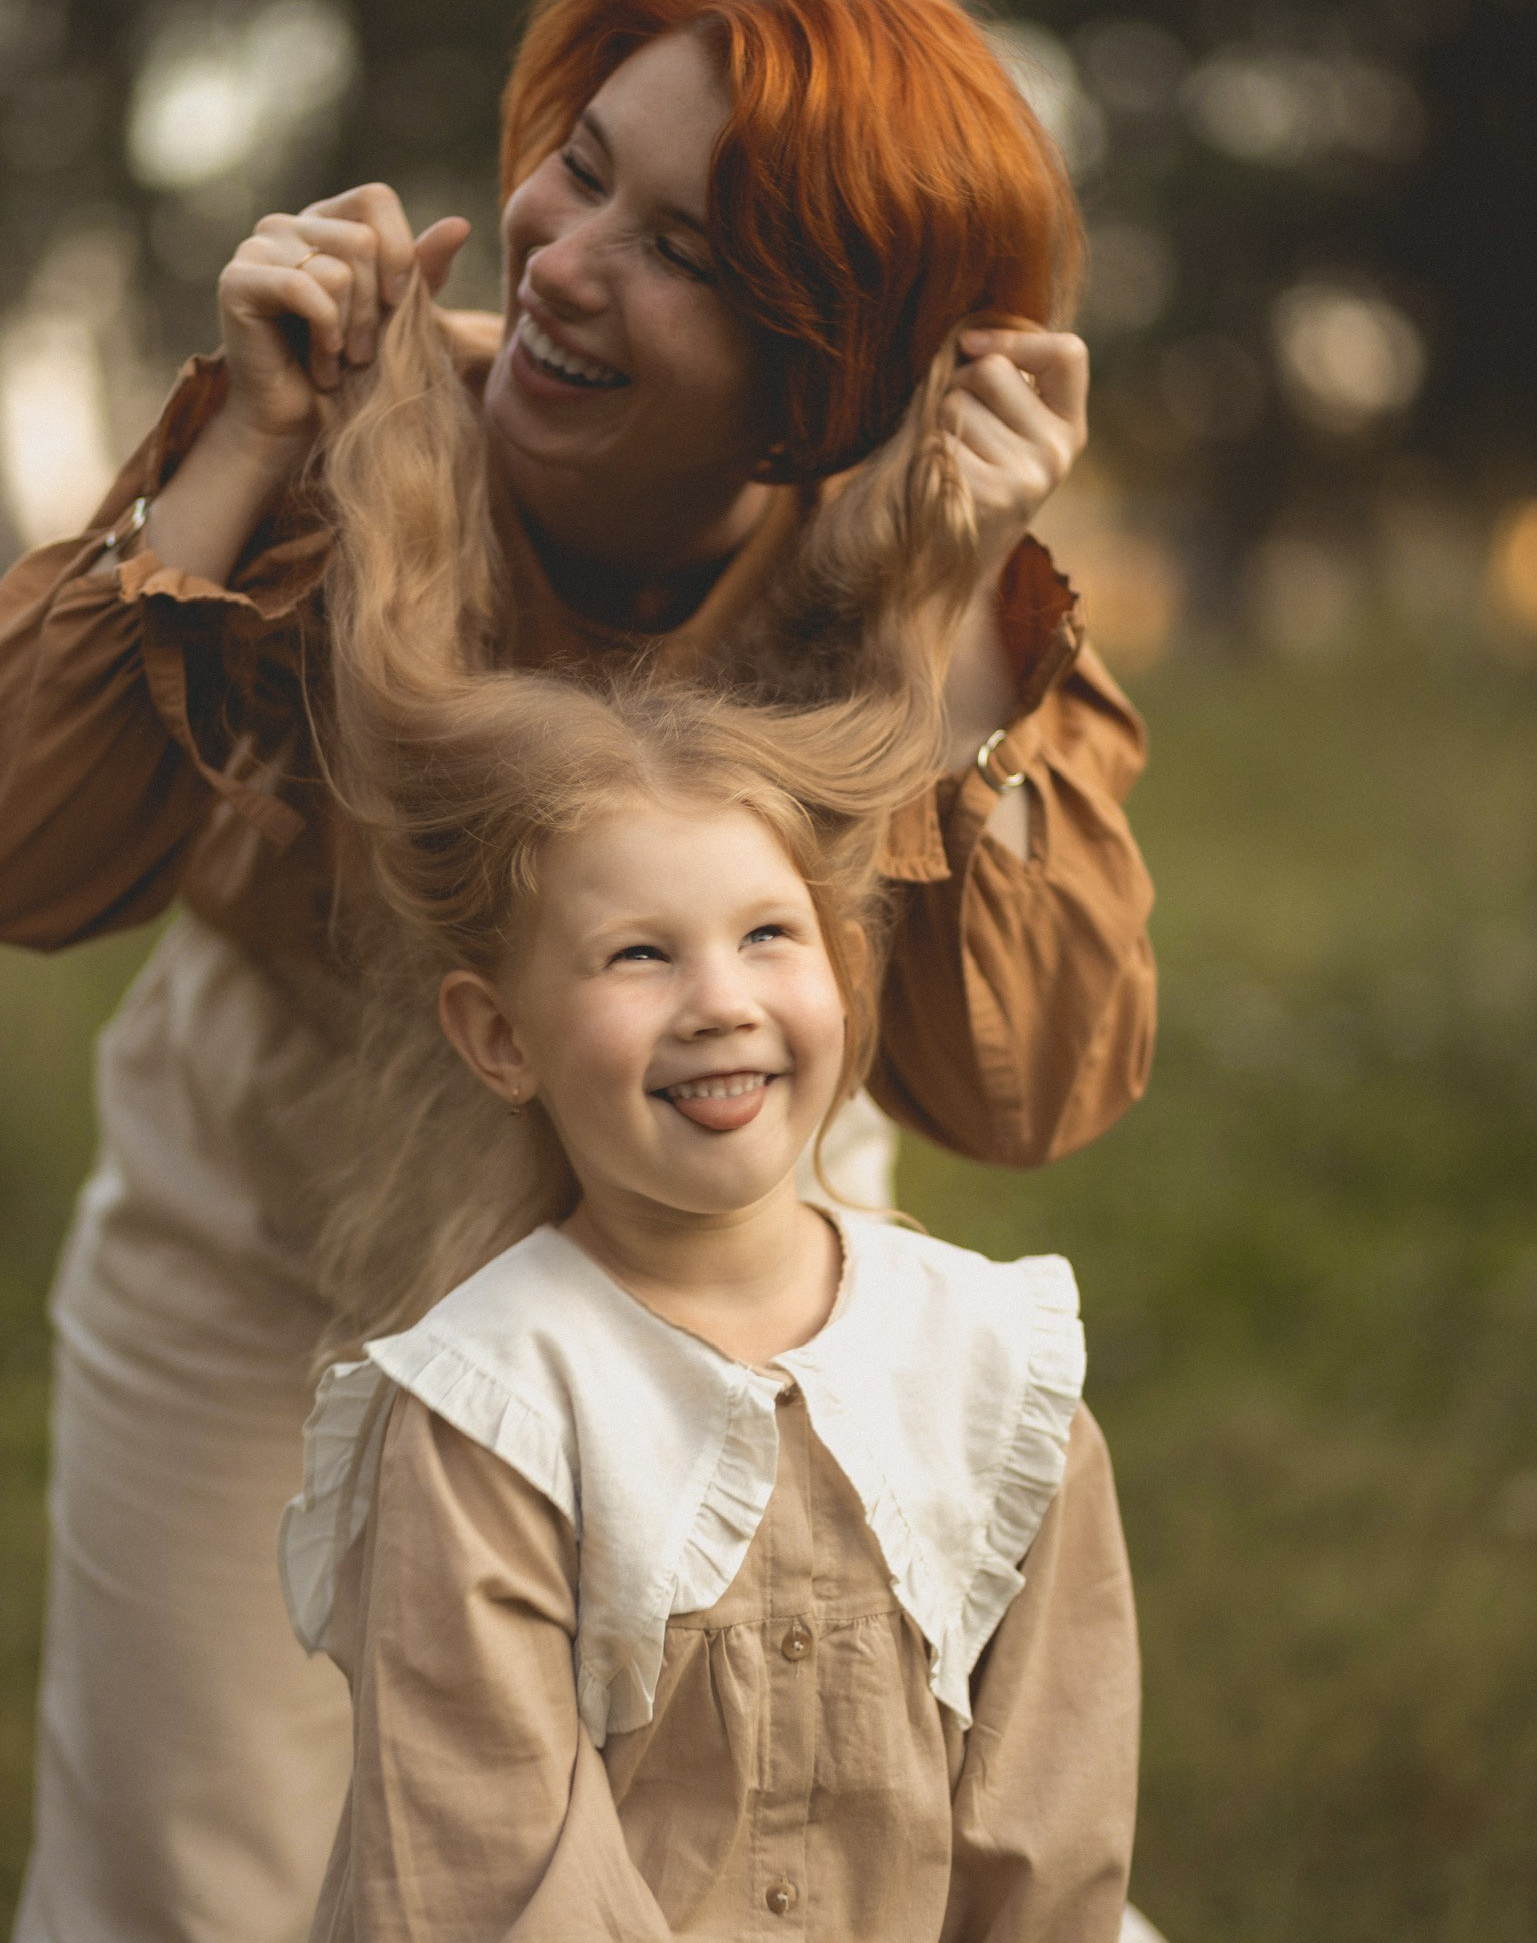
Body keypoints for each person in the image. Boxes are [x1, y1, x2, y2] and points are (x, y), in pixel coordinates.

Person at [0, 0, 1153, 1943]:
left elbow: (1026, 1094)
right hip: (278, 1235)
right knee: (201, 1885)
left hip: (732, 1270)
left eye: (690, 251)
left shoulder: (908, 580)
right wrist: (242, 447)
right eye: (587, 167)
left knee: (744, 1873)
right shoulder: (333, 440)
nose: (561, 253)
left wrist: (954, 632)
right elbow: (21, 860)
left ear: (834, 373)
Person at [277, 271, 1139, 1940]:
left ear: (839, 965)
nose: (720, 999)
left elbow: (1050, 1828)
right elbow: (487, 1872)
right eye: (633, 957)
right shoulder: (486, 1414)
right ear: (498, 1035)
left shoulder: (994, 1365)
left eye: (765, 936)